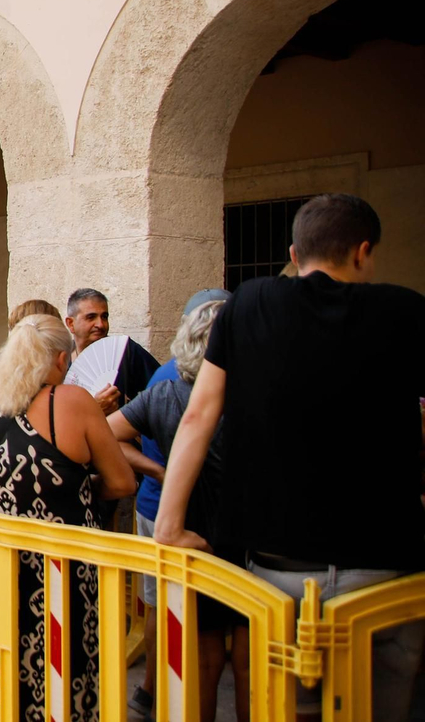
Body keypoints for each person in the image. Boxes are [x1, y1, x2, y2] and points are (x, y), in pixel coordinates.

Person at [155, 194, 425, 720]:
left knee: (287, 709)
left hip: (275, 570)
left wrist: (167, 525)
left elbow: (198, 416)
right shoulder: (407, 310)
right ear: (364, 251)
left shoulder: (250, 304)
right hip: (383, 570)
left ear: (294, 253)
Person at [0, 313, 135, 722]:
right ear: (57, 359)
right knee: (65, 664)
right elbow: (122, 482)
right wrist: (79, 490)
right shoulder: (70, 402)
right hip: (59, 568)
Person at [109, 296, 245, 722]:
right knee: (248, 656)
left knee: (204, 657)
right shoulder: (250, 394)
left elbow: (105, 434)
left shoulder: (163, 393)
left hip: (190, 534)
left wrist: (159, 470)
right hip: (245, 538)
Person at [63, 287, 160, 413]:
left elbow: (161, 393)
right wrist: (93, 410)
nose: (100, 324)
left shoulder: (126, 351)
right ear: (71, 323)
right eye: (91, 317)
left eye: (104, 317)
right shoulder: (60, 360)